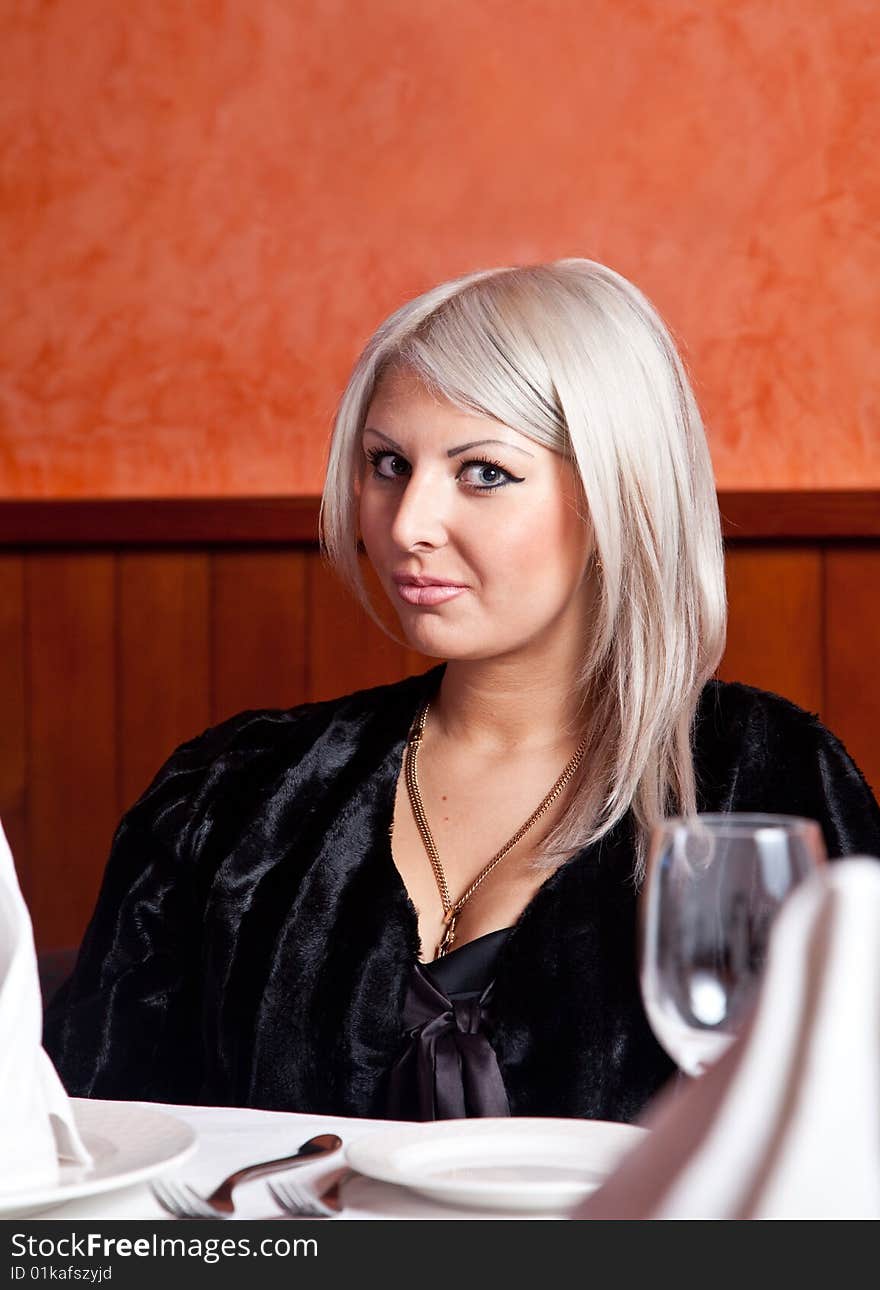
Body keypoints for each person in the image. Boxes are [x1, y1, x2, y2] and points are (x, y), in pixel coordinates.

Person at [44, 259, 880, 1122]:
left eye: (483, 472)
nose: (407, 524)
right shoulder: (233, 792)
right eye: (387, 464)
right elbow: (94, 1143)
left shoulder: (770, 785)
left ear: (615, 497)